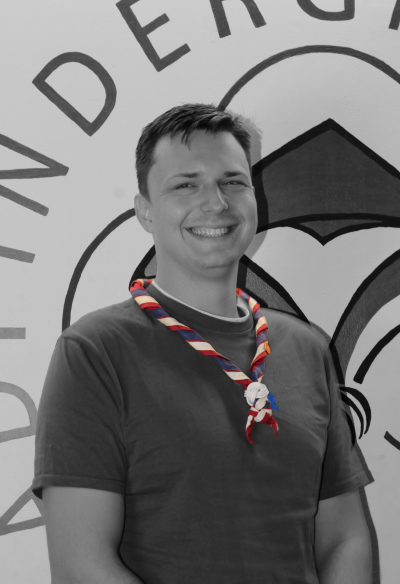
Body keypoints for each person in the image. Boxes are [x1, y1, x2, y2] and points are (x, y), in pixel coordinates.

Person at [33, 103, 373, 584]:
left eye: (233, 181)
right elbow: (81, 566)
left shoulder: (306, 347)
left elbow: (344, 538)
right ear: (145, 211)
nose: (215, 202)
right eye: (185, 185)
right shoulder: (94, 352)